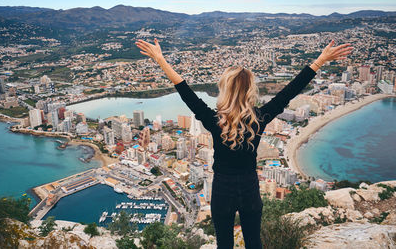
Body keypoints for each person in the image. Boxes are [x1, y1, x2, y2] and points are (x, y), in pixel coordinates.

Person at [136, 38, 353, 249]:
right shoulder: (259, 118)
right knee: (253, 243)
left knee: (225, 245)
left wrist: (160, 60)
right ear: (250, 91)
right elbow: (291, 90)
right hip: (250, 188)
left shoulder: (215, 120)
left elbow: (184, 90)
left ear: (225, 90)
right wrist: (320, 60)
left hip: (222, 189)